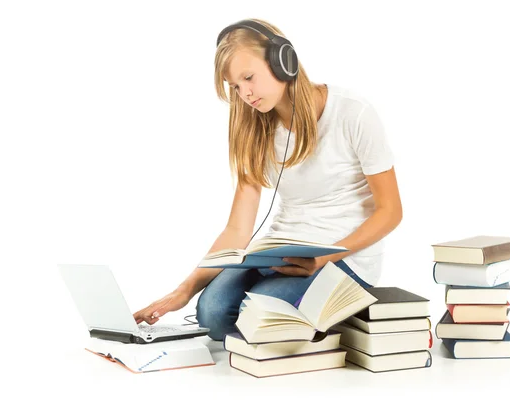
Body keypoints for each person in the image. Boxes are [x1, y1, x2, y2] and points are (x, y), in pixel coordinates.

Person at [133, 18, 403, 341]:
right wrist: (185, 289)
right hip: (283, 251)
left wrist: (324, 257)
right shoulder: (257, 128)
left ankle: (317, 316)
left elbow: (391, 211)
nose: (244, 94)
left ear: (282, 61)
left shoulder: (353, 114)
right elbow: (237, 229)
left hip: (345, 256)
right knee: (212, 312)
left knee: (254, 315)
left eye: (248, 77)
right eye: (235, 86)